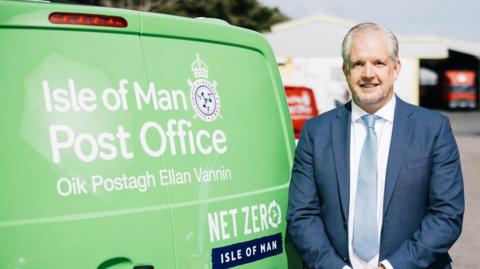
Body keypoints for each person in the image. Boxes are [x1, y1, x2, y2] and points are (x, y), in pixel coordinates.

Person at [286, 22, 464, 269]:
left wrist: (391, 267)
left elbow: (447, 215)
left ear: (395, 67)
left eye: (378, 63)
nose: (368, 73)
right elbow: (302, 215)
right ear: (345, 70)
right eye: (358, 63)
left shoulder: (433, 129)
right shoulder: (316, 132)